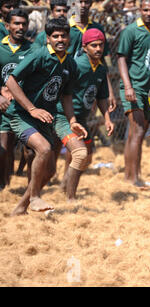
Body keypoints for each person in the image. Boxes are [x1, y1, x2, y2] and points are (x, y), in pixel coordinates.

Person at [5, 17, 87, 215]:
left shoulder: (70, 64)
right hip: (21, 115)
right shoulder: (39, 55)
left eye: (63, 35)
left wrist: (73, 120)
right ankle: (34, 198)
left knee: (54, 167)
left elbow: (67, 95)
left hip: (47, 117)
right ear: (48, 38)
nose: (60, 39)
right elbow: (11, 81)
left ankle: (20, 208)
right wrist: (32, 108)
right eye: (55, 36)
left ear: (69, 38)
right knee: (44, 149)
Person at [53, 28, 114, 200]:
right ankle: (69, 197)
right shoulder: (76, 65)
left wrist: (107, 118)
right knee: (71, 156)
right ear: (84, 47)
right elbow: (64, 92)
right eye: (93, 45)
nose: (98, 49)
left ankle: (66, 185)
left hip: (81, 118)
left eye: (101, 45)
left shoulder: (101, 69)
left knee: (84, 155)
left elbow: (102, 96)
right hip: (64, 115)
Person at [117, 0, 150, 187]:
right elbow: (121, 58)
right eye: (145, 9)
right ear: (139, 10)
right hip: (134, 87)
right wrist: (128, 86)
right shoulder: (131, 31)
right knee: (136, 131)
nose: (149, 13)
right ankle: (132, 178)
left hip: (149, 91)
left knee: (139, 133)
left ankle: (133, 174)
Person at [0, 9, 33, 190]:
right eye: (16, 23)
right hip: (4, 107)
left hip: (25, 107)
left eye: (23, 24)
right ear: (7, 26)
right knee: (4, 148)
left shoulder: (33, 50)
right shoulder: (0, 48)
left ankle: (31, 190)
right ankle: (4, 186)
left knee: (30, 151)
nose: (20, 27)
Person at [69, 0, 117, 112]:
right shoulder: (66, 28)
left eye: (86, 2)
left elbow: (102, 61)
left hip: (91, 83)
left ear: (91, 4)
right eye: (79, 2)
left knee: (88, 117)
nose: (82, 5)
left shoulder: (97, 28)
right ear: (72, 4)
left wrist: (109, 91)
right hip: (70, 83)